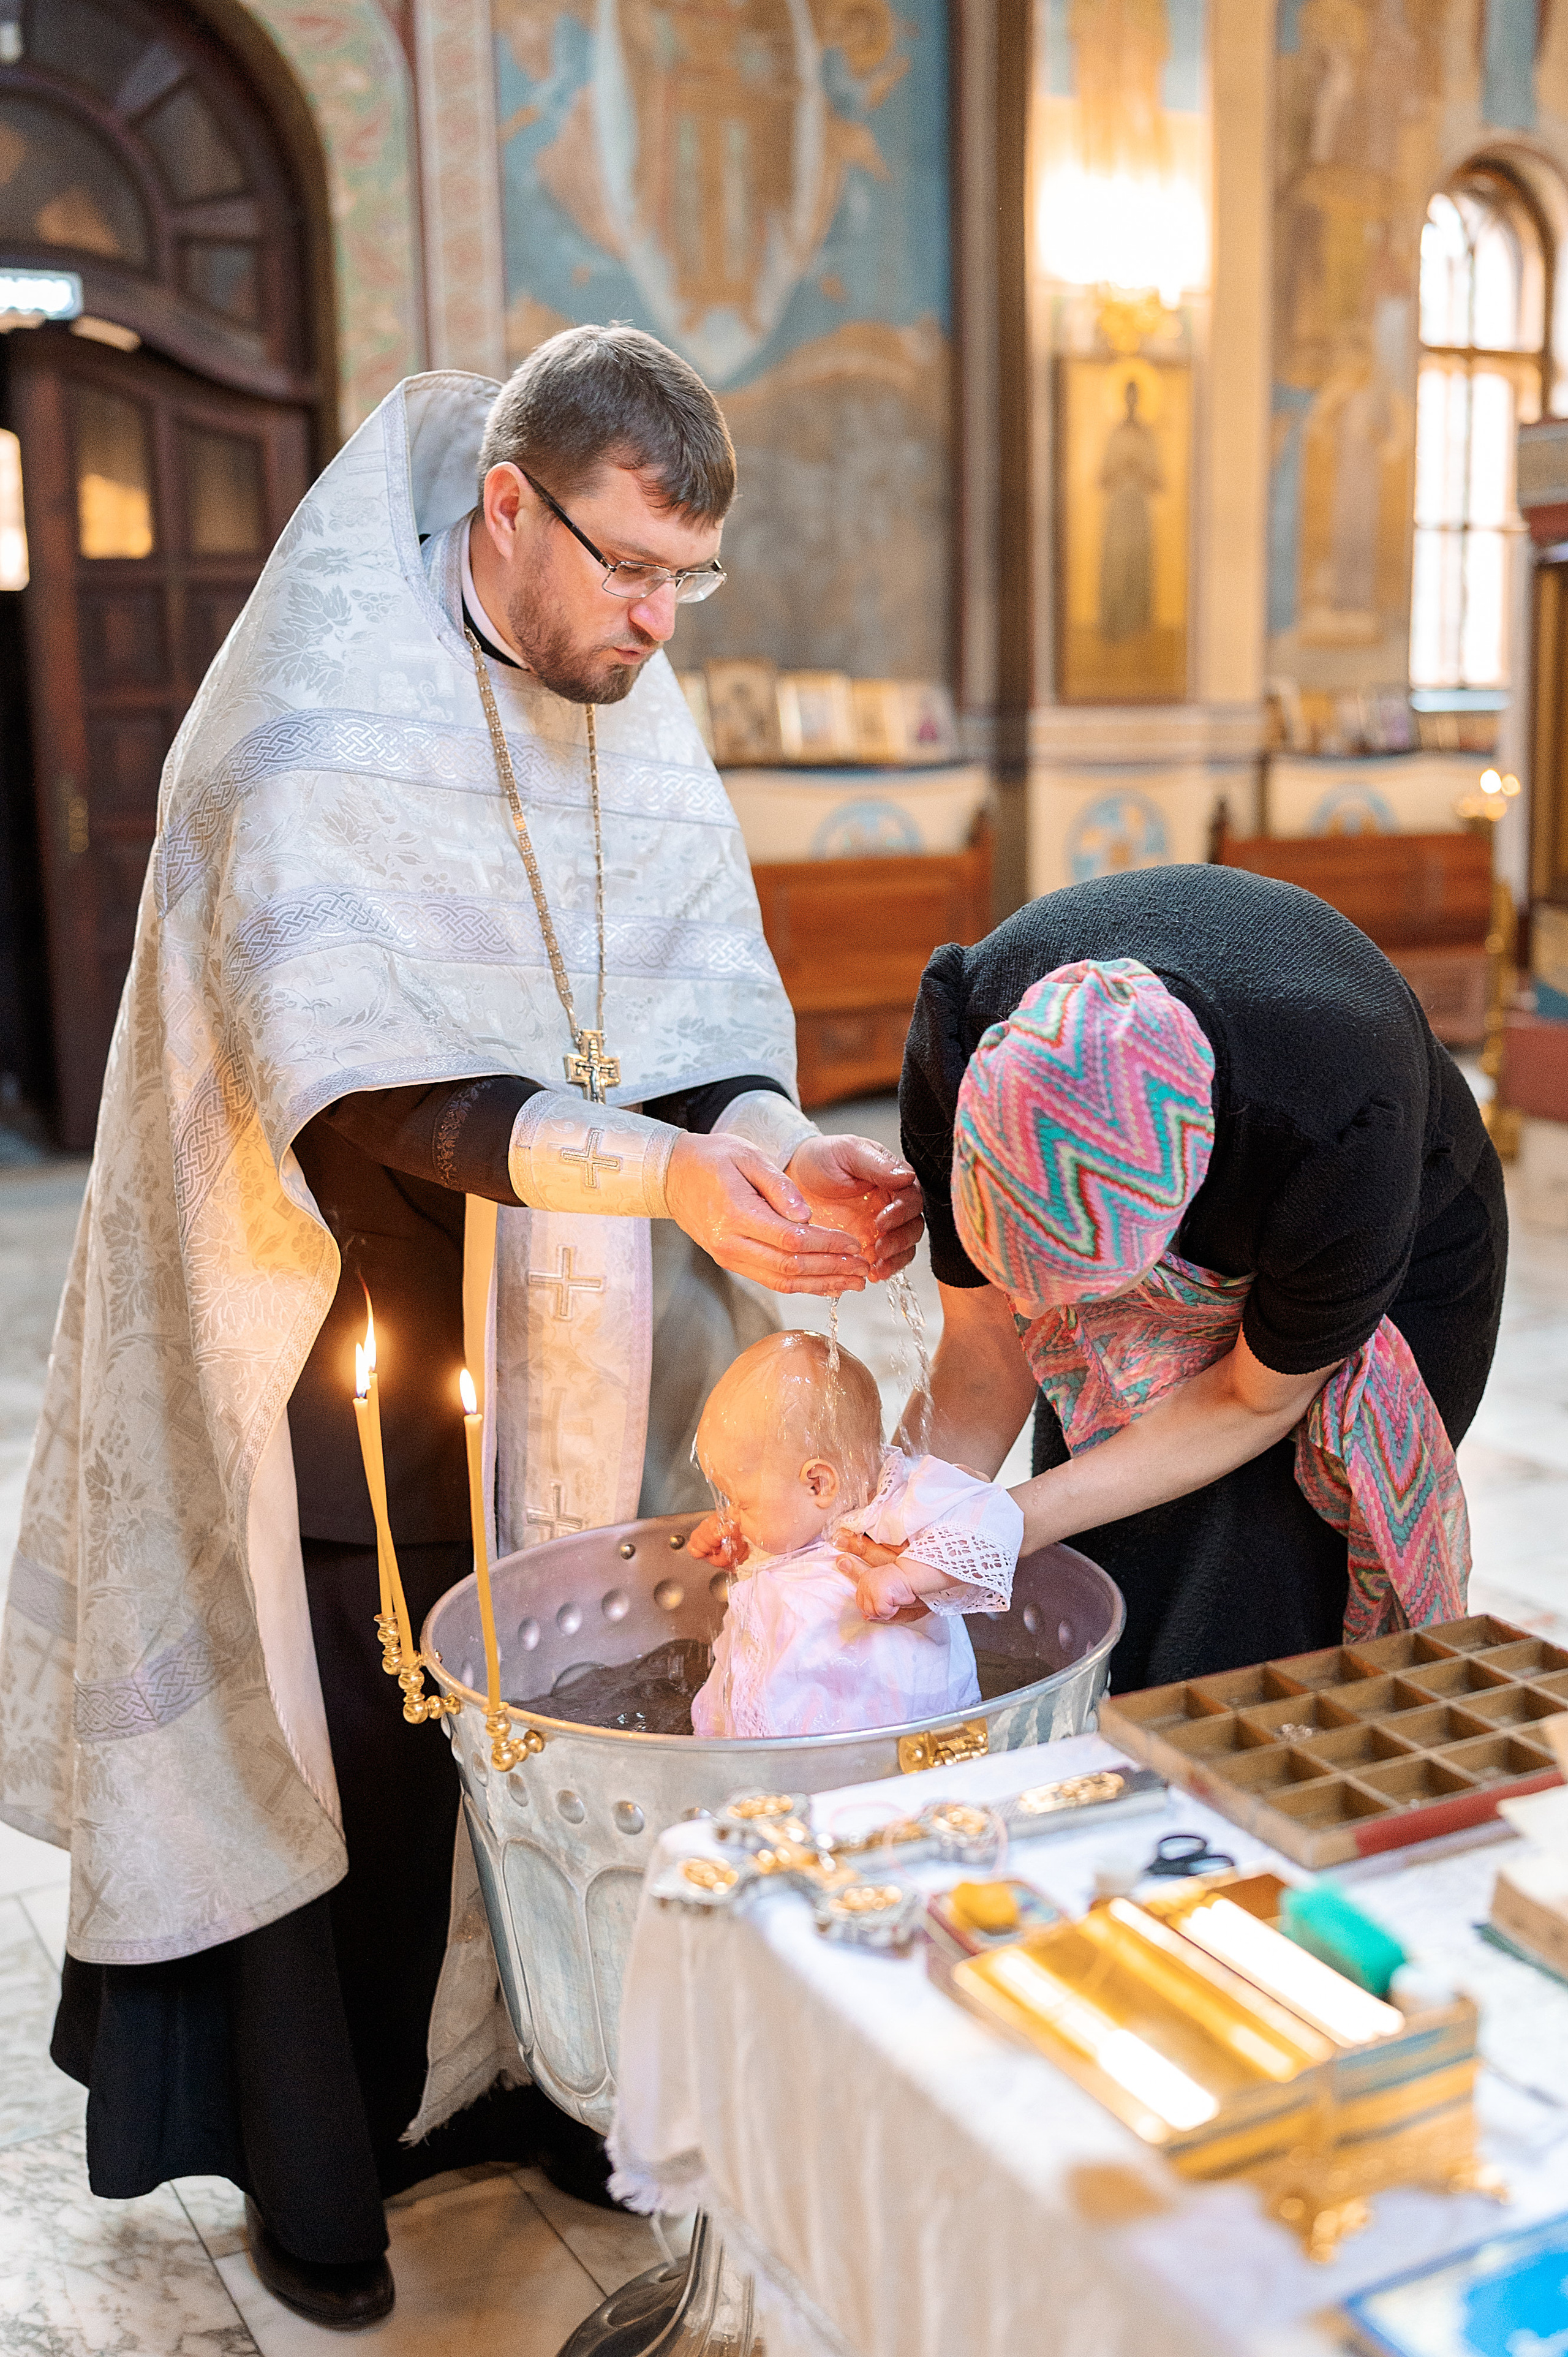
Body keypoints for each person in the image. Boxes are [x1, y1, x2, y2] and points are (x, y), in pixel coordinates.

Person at [0, 326, 921, 2329]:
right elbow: (357, 1090)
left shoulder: (634, 698)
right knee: (365, 1745)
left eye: (695, 578)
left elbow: (692, 1005)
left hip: (583, 1322)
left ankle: (546, 2081)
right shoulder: (310, 725)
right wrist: (667, 1168)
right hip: (342, 1315)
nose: (661, 623)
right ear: (510, 507)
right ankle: (330, 2170)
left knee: (591, 1706)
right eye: (627, 568)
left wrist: (764, 1136)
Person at [890, 865, 1502, 1691]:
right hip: (1221, 1164)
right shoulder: (963, 1038)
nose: (1037, 1320)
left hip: (1405, 1248)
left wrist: (1008, 1521)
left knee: (1252, 1599)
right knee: (1111, 1565)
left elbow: (1255, 1400)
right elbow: (984, 1351)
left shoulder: (1341, 1121)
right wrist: (893, 1516)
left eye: (1077, 1298)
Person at [687, 1332, 1022, 1738]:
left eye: (742, 1503)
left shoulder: (900, 1501)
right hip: (776, 1716)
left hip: (886, 1730)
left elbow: (991, 1518)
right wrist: (743, 1548)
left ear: (818, 1484)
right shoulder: (804, 1511)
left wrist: (910, 1576)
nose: (731, 1513)